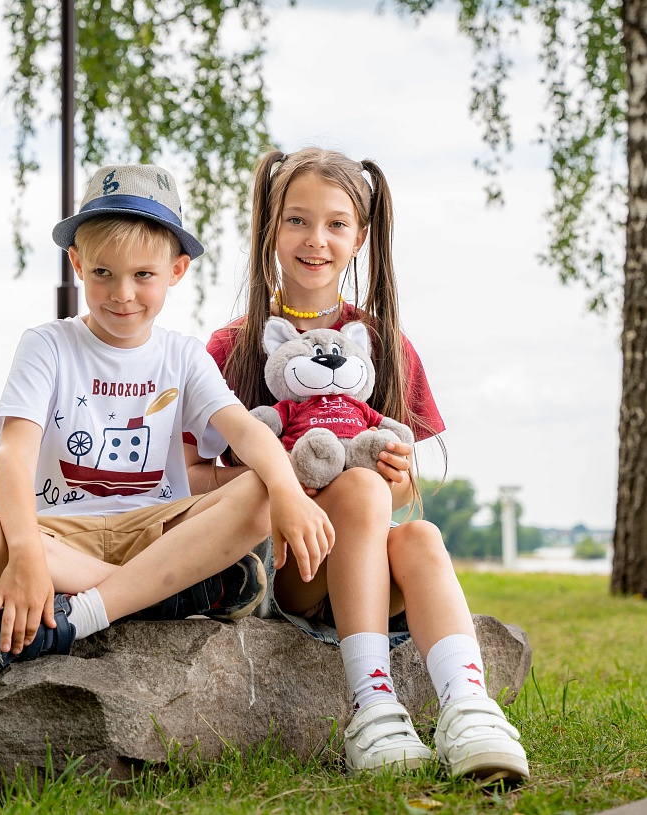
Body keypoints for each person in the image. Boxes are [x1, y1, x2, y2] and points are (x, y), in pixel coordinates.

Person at [190, 147, 529, 784]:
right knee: (359, 492)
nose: (315, 239)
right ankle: (372, 709)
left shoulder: (383, 343)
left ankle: (469, 712)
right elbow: (189, 474)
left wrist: (394, 482)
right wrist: (281, 481)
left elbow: (401, 491)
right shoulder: (231, 346)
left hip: (362, 562)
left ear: (361, 237)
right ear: (270, 228)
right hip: (283, 566)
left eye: (336, 224)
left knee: (420, 535)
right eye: (296, 220)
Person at [0, 163, 334, 675]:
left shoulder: (182, 355)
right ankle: (163, 594)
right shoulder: (47, 345)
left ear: (176, 271)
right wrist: (26, 553)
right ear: (77, 263)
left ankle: (87, 611)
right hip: (57, 536)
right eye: (103, 273)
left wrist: (289, 491)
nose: (122, 293)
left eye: (143, 275)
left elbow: (247, 431)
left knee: (262, 487)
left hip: (160, 532)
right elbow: (15, 453)